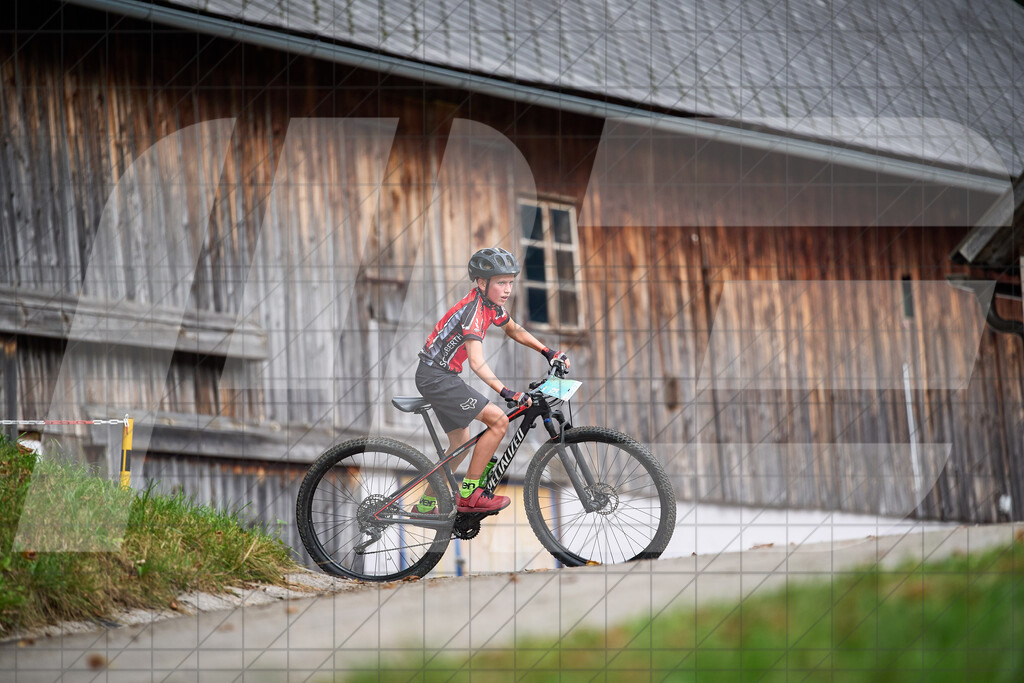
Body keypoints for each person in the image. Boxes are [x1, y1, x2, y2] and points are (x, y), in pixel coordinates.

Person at [414, 247, 570, 514]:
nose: (507, 289)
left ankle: (427, 504)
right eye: (501, 282)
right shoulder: (473, 311)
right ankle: (470, 494)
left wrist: (547, 351)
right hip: (436, 377)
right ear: (482, 283)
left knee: (460, 444)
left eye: (510, 282)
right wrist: (507, 392)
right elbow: (476, 362)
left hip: (439, 376)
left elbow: (512, 329)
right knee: (498, 421)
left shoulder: (491, 306)